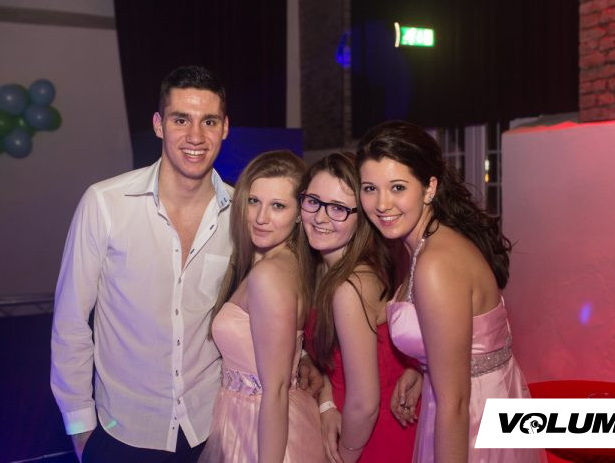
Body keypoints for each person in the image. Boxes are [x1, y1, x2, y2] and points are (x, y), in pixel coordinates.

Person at [50, 66, 320, 463]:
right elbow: (71, 321)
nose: (196, 136)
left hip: (210, 428)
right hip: (123, 429)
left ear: (225, 128)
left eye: (208, 121)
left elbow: (266, 306)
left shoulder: (243, 214)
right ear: (159, 125)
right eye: (181, 120)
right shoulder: (105, 204)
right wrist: (80, 426)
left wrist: (302, 355)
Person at [356, 121, 539, 463]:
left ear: (429, 188)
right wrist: (421, 367)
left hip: (472, 420)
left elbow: (455, 402)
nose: (382, 203)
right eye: (370, 188)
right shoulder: (424, 242)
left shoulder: (435, 263)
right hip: (470, 401)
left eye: (397, 187)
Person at [200, 150, 324, 463]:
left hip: (260, 429)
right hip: (251, 421)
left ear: (300, 213)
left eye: (278, 206)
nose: (261, 217)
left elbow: (276, 390)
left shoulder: (269, 274)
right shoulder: (281, 263)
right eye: (254, 201)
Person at [298, 153, 420, 463]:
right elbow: (330, 363)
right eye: (313, 201)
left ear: (362, 217)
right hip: (346, 419)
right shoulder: (321, 269)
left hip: (374, 434)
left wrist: (345, 456)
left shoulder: (350, 287)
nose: (321, 217)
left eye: (338, 208)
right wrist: (327, 401)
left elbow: (365, 404)